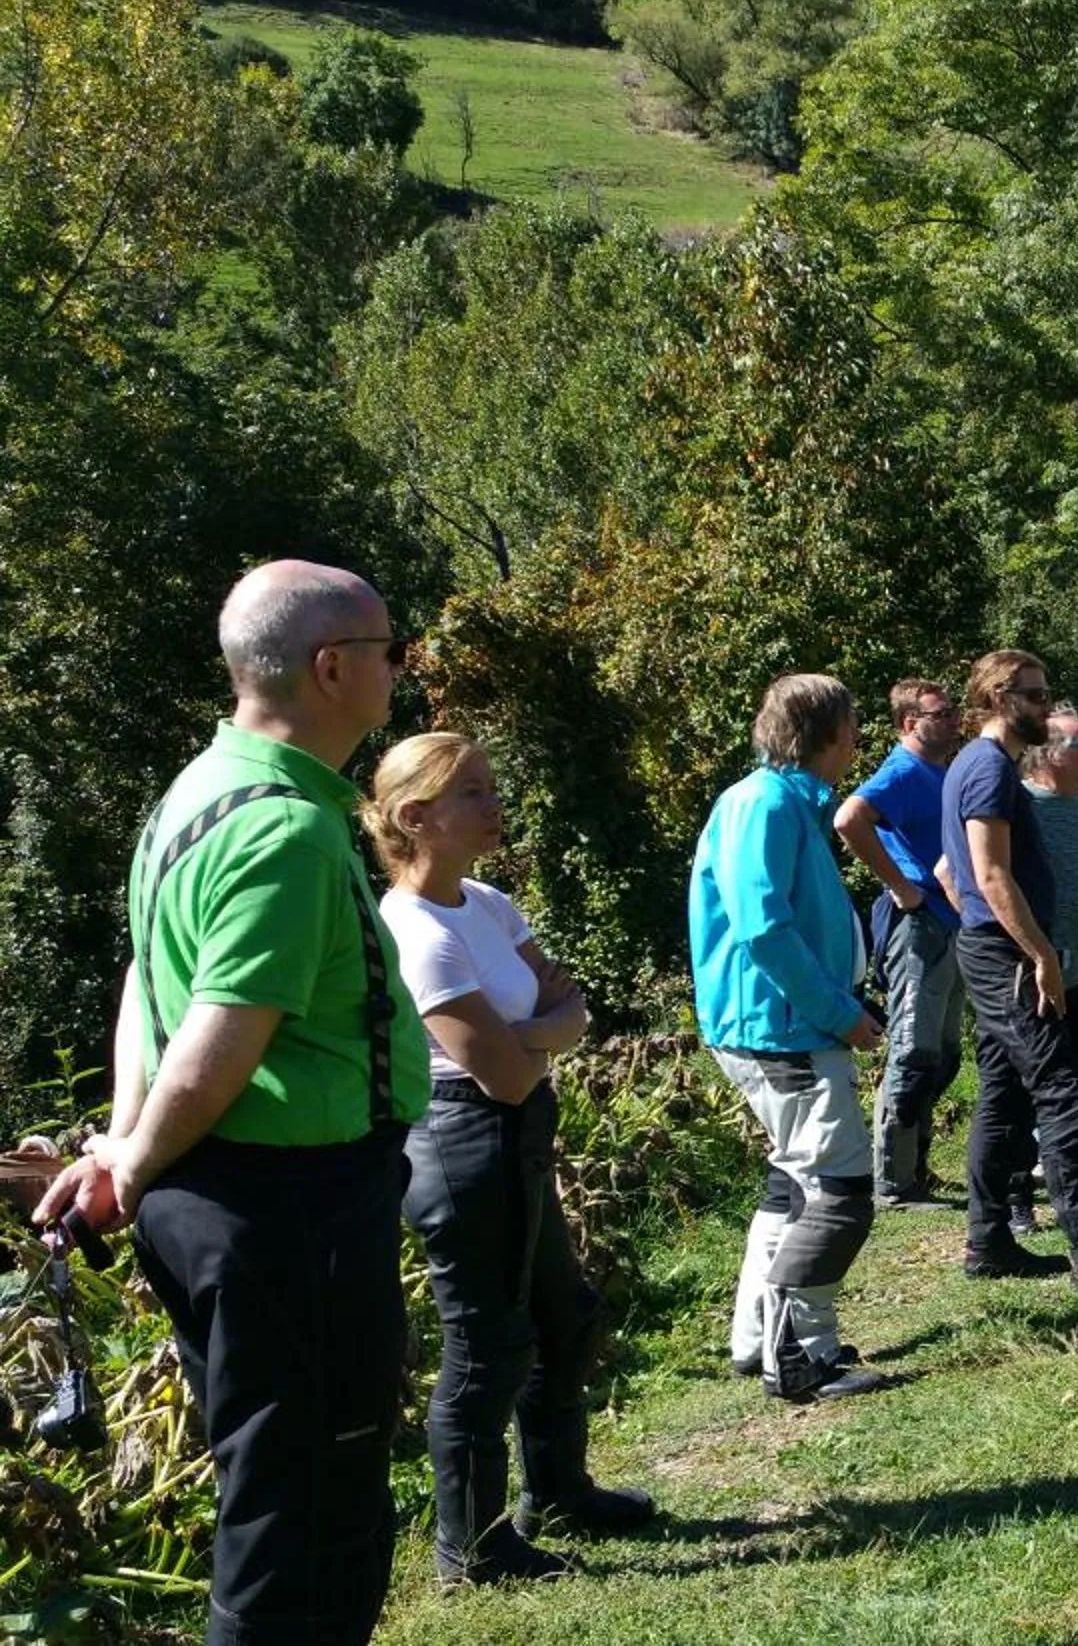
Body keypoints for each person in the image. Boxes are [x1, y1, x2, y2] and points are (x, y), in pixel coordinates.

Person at [36, 560, 431, 1646]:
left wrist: (127, 1145)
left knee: (281, 1485)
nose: (403, 667)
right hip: (285, 1205)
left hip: (233, 1195)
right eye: (393, 649)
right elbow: (216, 1029)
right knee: (307, 1515)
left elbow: (143, 983)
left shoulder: (198, 793)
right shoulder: (286, 830)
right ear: (333, 665)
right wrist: (139, 1153)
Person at [365, 734, 657, 1584]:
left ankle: (557, 1493)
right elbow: (496, 1071)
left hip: (518, 1135)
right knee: (486, 1345)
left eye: (492, 787)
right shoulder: (414, 934)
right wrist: (541, 1039)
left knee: (564, 1316)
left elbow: (564, 1006)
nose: (496, 806)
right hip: (460, 1143)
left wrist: (534, 1038)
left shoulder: (484, 903)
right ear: (417, 818)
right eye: (474, 795)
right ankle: (471, 1546)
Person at [691, 674, 889, 1404]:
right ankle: (802, 1354)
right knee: (836, 1190)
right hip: (783, 1029)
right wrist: (839, 1014)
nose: (858, 740)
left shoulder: (787, 804)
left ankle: (756, 1339)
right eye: (854, 726)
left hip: (788, 1023)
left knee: (794, 1182)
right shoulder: (765, 805)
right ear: (828, 735)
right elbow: (764, 928)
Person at [941, 655, 1078, 1291]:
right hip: (1007, 955)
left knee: (1004, 1096)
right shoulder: (986, 768)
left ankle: (988, 1244)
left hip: (1000, 950)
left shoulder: (987, 766)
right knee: (1065, 1091)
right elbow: (985, 874)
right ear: (1000, 696)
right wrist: (1040, 954)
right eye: (1036, 697)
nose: (1045, 707)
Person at [833, 679, 968, 1210]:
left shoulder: (938, 771)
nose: (955, 719)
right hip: (920, 924)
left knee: (943, 1054)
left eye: (955, 709)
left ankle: (916, 1170)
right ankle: (892, 1184)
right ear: (910, 724)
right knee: (914, 1053)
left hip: (947, 921)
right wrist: (903, 887)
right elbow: (850, 818)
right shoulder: (903, 770)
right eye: (942, 713)